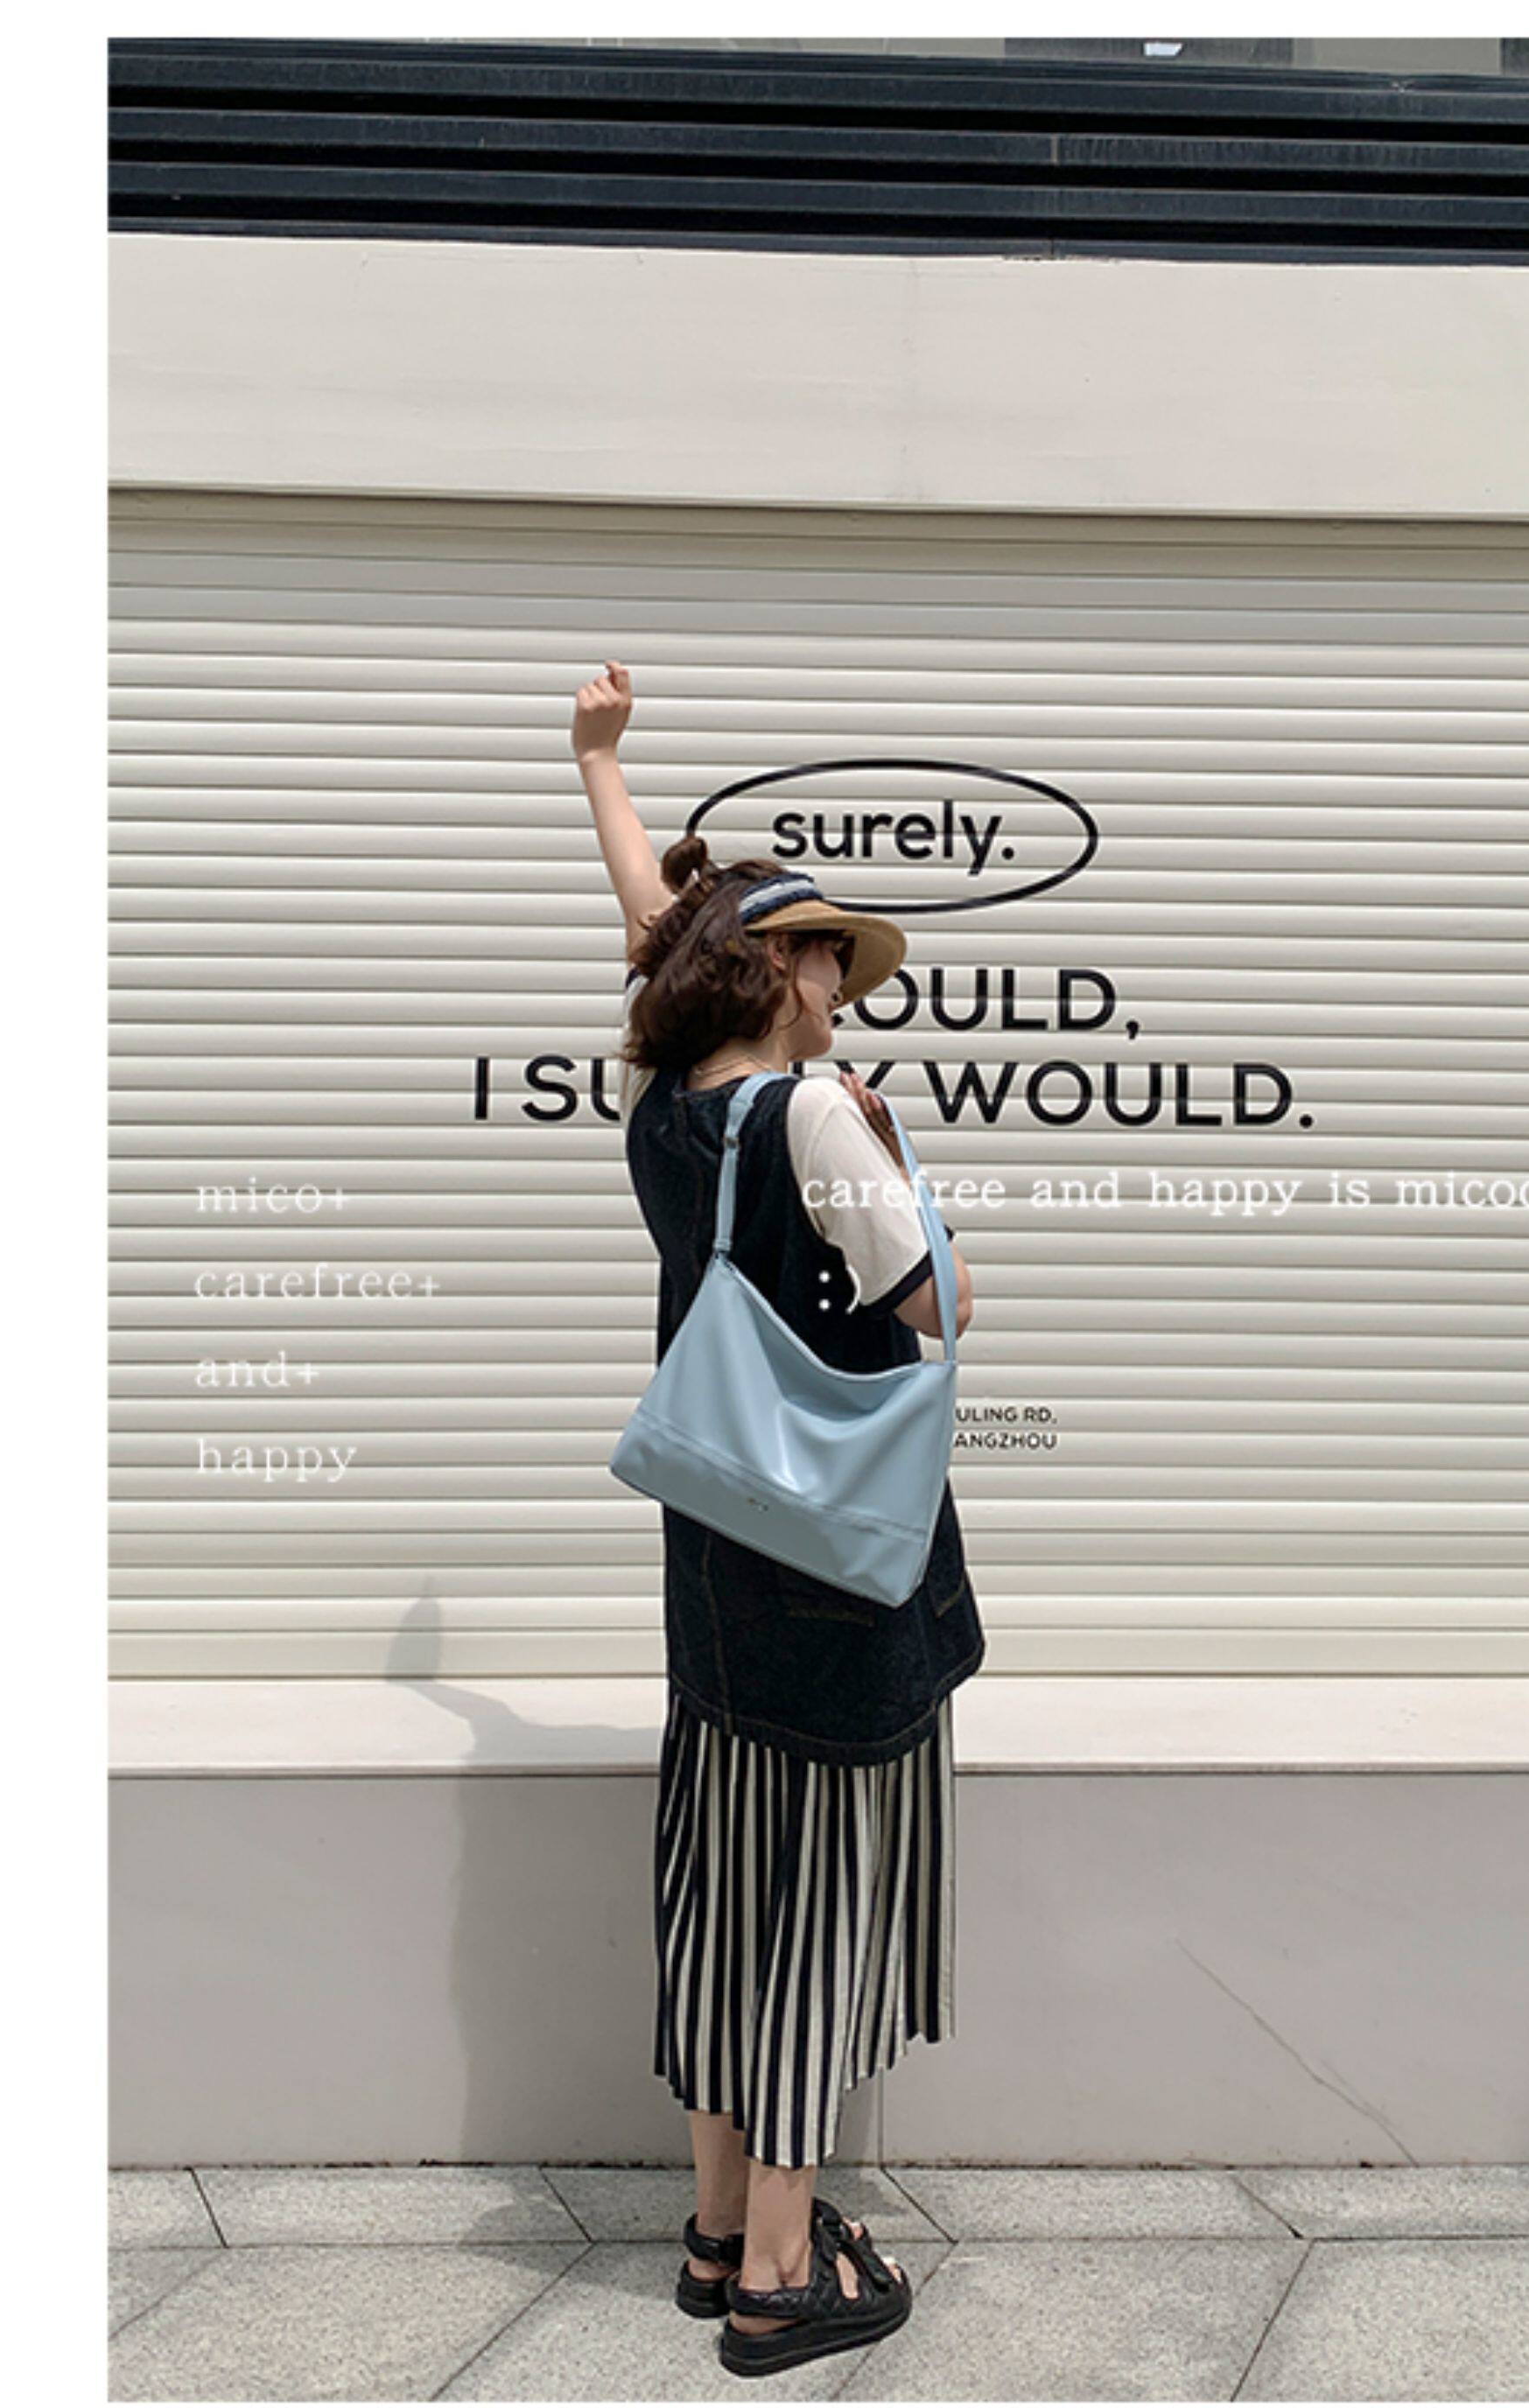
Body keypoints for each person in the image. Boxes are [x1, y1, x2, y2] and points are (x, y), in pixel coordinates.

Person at [572, 662, 988, 2378]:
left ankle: (710, 2223)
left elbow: (654, 929)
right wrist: (896, 1151)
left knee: (730, 1883)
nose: (838, 982)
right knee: (817, 1903)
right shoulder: (819, 1109)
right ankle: (779, 2272)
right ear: (769, 971)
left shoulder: (668, 1111)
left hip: (717, 1559)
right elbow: (938, 1307)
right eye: (820, 956)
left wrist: (600, 772)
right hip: (840, 1567)